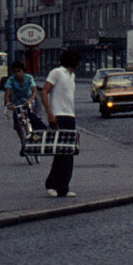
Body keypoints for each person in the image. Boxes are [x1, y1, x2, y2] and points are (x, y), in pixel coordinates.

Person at [40, 49, 80, 198]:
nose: (79, 64)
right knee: (60, 152)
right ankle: (51, 184)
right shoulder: (56, 72)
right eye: (78, 61)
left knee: (69, 152)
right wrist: (50, 114)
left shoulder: (72, 76)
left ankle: (63, 187)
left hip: (70, 115)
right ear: (72, 61)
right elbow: (44, 92)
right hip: (58, 116)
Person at [4, 60, 44, 152]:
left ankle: (35, 136)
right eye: (14, 72)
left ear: (23, 71)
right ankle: (23, 142)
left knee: (32, 116)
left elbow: (34, 92)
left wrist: (29, 101)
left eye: (19, 71)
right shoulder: (11, 80)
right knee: (17, 120)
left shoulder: (29, 78)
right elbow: (7, 94)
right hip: (17, 101)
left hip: (29, 100)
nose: (17, 74)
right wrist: (8, 103)